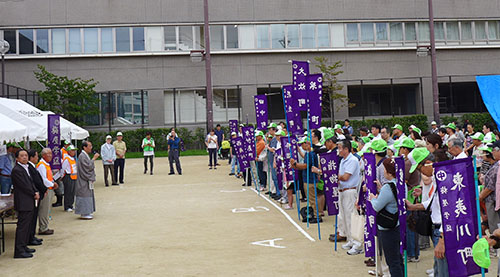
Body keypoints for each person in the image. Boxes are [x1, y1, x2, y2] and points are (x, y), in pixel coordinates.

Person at [406, 147, 448, 277]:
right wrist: (413, 206)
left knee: (444, 271)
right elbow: (431, 203)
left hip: (442, 232)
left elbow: (448, 212)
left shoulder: (444, 179)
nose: (421, 173)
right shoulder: (436, 178)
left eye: (419, 169)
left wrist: (442, 240)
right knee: (438, 269)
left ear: (427, 163)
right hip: (436, 230)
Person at [369, 158, 404, 277]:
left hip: (387, 228)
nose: (383, 171)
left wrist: (373, 198)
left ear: (389, 172)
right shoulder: (400, 183)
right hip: (397, 223)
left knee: (392, 260)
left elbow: (377, 206)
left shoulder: (388, 187)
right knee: (397, 258)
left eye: (384, 169)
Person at [11, 149, 39, 259]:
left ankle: (24, 246)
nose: (25, 157)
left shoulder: (25, 168)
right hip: (23, 201)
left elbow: (30, 182)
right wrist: (34, 193)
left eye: (26, 155)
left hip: (29, 200)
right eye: (22, 156)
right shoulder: (17, 170)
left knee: (27, 225)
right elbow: (24, 185)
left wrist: (35, 191)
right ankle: (19, 250)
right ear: (17, 158)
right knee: (22, 227)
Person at [337, 140, 362, 255]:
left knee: (351, 217)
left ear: (346, 149)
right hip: (342, 191)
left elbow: (346, 177)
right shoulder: (343, 160)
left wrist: (334, 176)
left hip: (350, 191)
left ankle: (357, 244)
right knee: (345, 216)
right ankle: (350, 240)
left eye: (340, 148)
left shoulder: (352, 160)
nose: (338, 150)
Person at [290, 138, 322, 223]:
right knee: (311, 198)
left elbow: (305, 166)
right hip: (308, 178)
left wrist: (295, 164)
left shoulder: (311, 154)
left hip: (310, 179)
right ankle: (315, 214)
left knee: (312, 198)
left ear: (307, 144)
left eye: (303, 144)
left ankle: (317, 215)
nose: (302, 146)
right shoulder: (309, 154)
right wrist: (295, 165)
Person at [479, 141, 500, 237]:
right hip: (492, 200)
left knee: (495, 227)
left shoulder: (497, 167)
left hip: (493, 200)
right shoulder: (495, 166)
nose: (493, 152)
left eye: (494, 150)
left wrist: (480, 197)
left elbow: (491, 187)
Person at [76, 141, 99, 220]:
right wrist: (94, 159)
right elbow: (87, 167)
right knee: (84, 195)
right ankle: (84, 213)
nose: (91, 147)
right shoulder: (82, 156)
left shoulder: (85, 155)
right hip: (83, 180)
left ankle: (87, 211)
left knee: (88, 194)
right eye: (89, 146)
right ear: (84, 147)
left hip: (85, 180)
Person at [27, 149, 46, 247]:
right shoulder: (29, 167)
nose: (37, 158)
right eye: (36, 156)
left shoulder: (32, 167)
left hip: (38, 194)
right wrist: (44, 189)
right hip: (34, 195)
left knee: (34, 217)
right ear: (32, 157)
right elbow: (37, 182)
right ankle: (30, 237)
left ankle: (32, 236)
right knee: (32, 217)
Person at [37, 148, 57, 236]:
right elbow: (43, 179)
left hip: (49, 188)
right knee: (44, 209)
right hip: (46, 189)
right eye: (48, 154)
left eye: (51, 154)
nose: (50, 156)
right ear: (43, 155)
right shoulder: (42, 165)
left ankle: (45, 226)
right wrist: (52, 184)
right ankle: (43, 228)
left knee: (47, 209)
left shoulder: (46, 164)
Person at [61, 145, 77, 212]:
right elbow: (63, 168)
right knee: (68, 192)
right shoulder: (67, 159)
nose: (74, 152)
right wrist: (62, 177)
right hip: (68, 176)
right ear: (69, 151)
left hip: (74, 176)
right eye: (73, 150)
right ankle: (67, 206)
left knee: (72, 191)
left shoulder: (73, 158)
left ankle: (71, 204)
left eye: (74, 150)